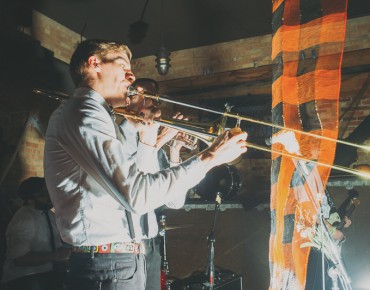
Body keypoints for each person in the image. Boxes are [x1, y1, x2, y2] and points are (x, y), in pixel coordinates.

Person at [43, 39, 247, 290]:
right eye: (122, 66)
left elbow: (144, 193)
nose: (131, 76)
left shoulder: (100, 115)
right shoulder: (84, 111)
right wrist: (210, 157)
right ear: (94, 64)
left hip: (123, 258)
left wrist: (149, 142)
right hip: (107, 262)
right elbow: (138, 196)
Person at [130, 77, 188, 290]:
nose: (149, 105)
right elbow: (137, 189)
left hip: (151, 244)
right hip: (127, 244)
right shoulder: (124, 140)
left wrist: (174, 152)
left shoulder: (158, 151)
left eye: (153, 100)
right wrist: (158, 142)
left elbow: (176, 202)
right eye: (141, 96)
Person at [1, 177, 70, 290]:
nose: (49, 197)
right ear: (30, 198)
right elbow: (20, 259)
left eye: (49, 192)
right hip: (23, 280)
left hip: (48, 277)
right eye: (44, 193)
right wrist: (57, 256)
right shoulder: (24, 219)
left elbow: (57, 247)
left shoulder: (50, 216)